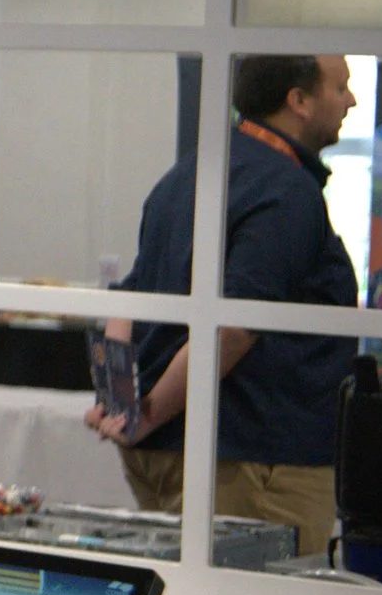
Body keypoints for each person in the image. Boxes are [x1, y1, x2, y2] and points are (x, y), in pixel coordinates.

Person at [90, 54, 360, 556]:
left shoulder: (191, 172)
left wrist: (122, 403)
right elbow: (233, 328)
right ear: (297, 102)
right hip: (251, 464)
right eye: (340, 88)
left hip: (183, 451)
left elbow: (126, 299)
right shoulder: (286, 192)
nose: (352, 101)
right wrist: (141, 416)